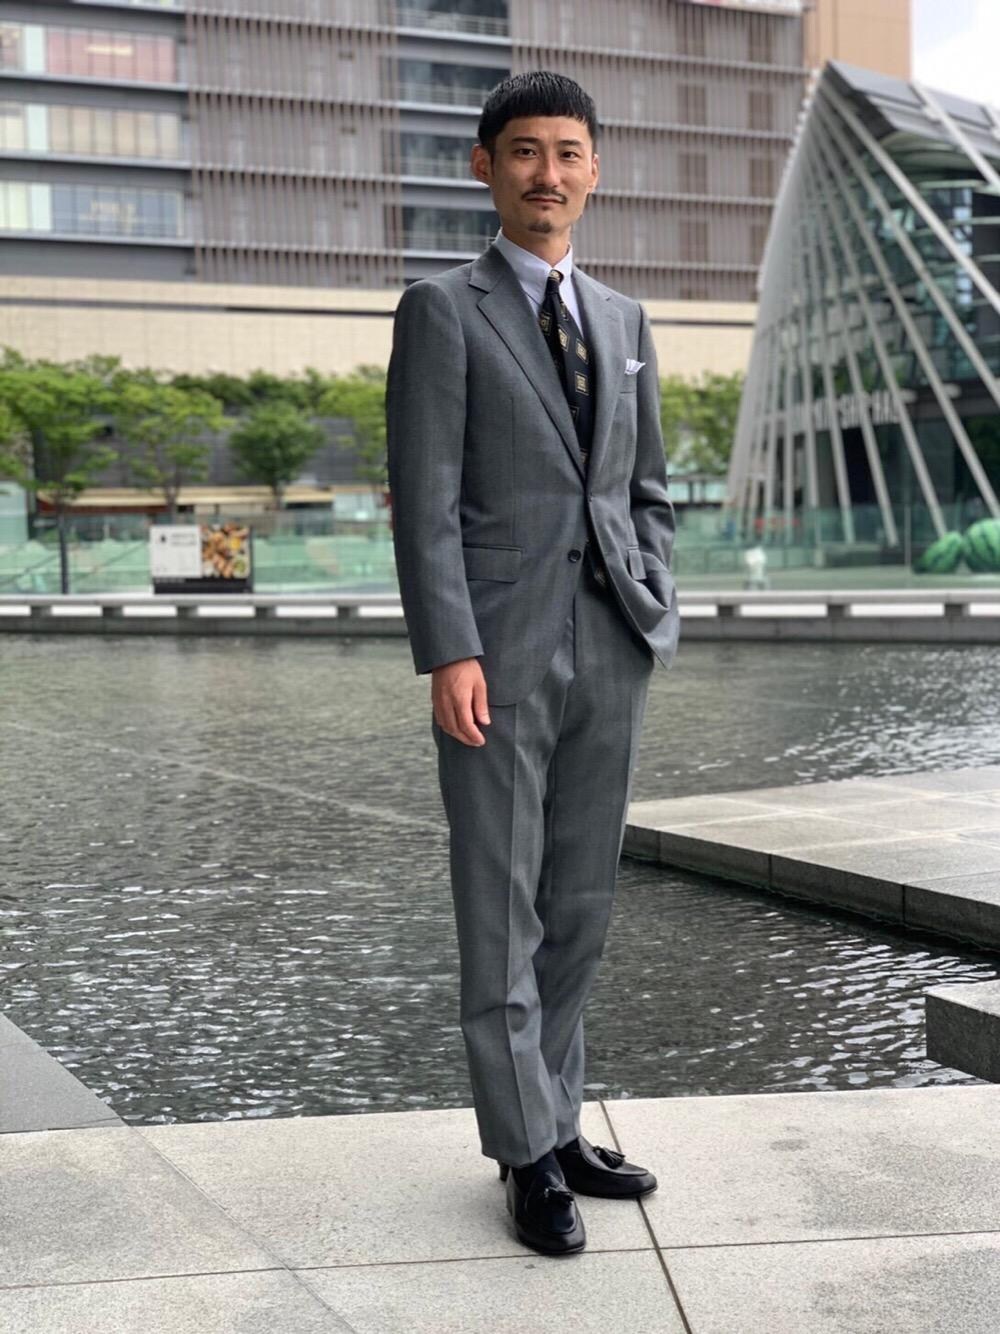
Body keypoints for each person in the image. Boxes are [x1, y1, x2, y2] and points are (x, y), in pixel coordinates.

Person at [385, 71, 680, 1258]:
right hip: (495, 650)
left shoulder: (623, 319)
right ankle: (523, 1153)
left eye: (566, 152)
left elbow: (645, 485)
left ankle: (558, 1118)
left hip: (610, 637)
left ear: (593, 169)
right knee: (499, 904)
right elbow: (424, 500)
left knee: (580, 903)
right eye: (522, 151)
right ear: (484, 167)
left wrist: (651, 599)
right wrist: (448, 646)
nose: (545, 173)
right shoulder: (440, 310)